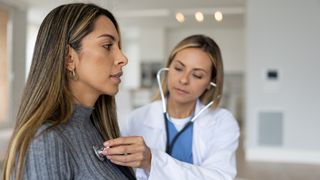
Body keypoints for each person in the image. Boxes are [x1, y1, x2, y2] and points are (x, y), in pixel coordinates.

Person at [2, 3, 136, 180]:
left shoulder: (95, 128)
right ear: (69, 58)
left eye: (119, 46)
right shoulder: (45, 141)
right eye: (107, 45)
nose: (123, 58)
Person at [102, 34, 240, 179]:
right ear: (168, 69)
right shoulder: (135, 119)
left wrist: (152, 161)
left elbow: (219, 177)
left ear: (210, 83)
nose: (184, 79)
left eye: (197, 75)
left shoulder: (222, 122)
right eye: (179, 68)